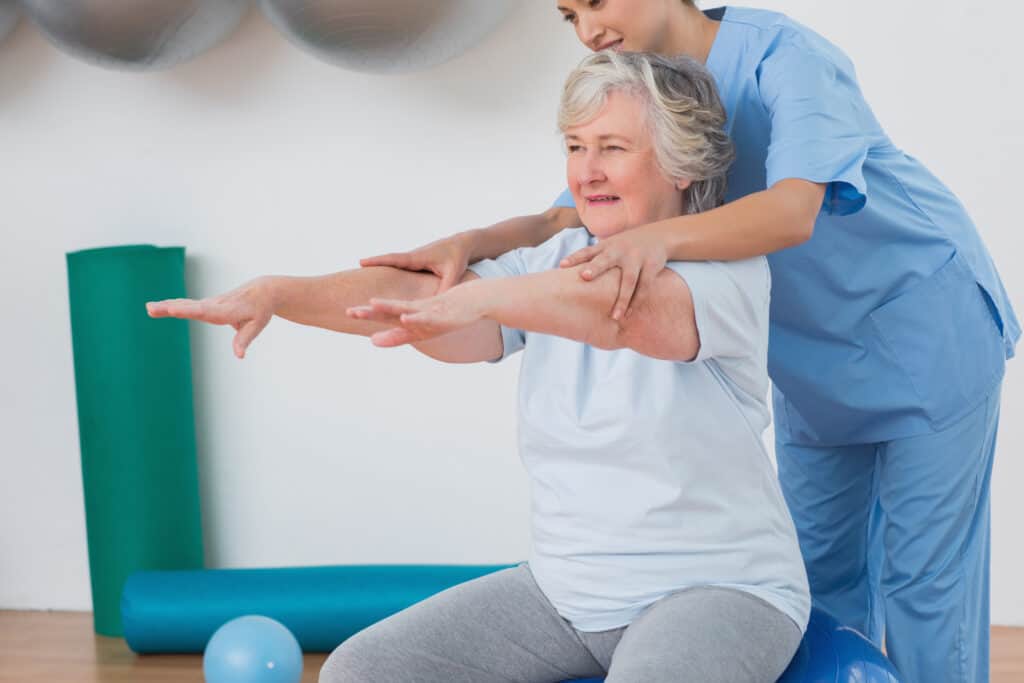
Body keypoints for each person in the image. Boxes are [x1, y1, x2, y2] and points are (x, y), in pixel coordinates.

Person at [361, 3, 1019, 681]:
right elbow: (566, 212)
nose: (587, 31)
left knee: (923, 587)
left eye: (595, 3)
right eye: (568, 17)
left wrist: (659, 238)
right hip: (810, 364)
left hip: (925, 335)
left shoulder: (784, 61)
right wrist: (473, 242)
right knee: (823, 580)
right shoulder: (650, 91)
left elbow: (795, 209)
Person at [148, 51, 809, 682]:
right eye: (575, 147)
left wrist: (478, 295)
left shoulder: (727, 270)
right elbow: (419, 303)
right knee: (361, 669)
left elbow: (620, 316)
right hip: (564, 595)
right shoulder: (551, 258)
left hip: (718, 588)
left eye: (612, 147)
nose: (586, 170)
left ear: (679, 165)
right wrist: (278, 292)